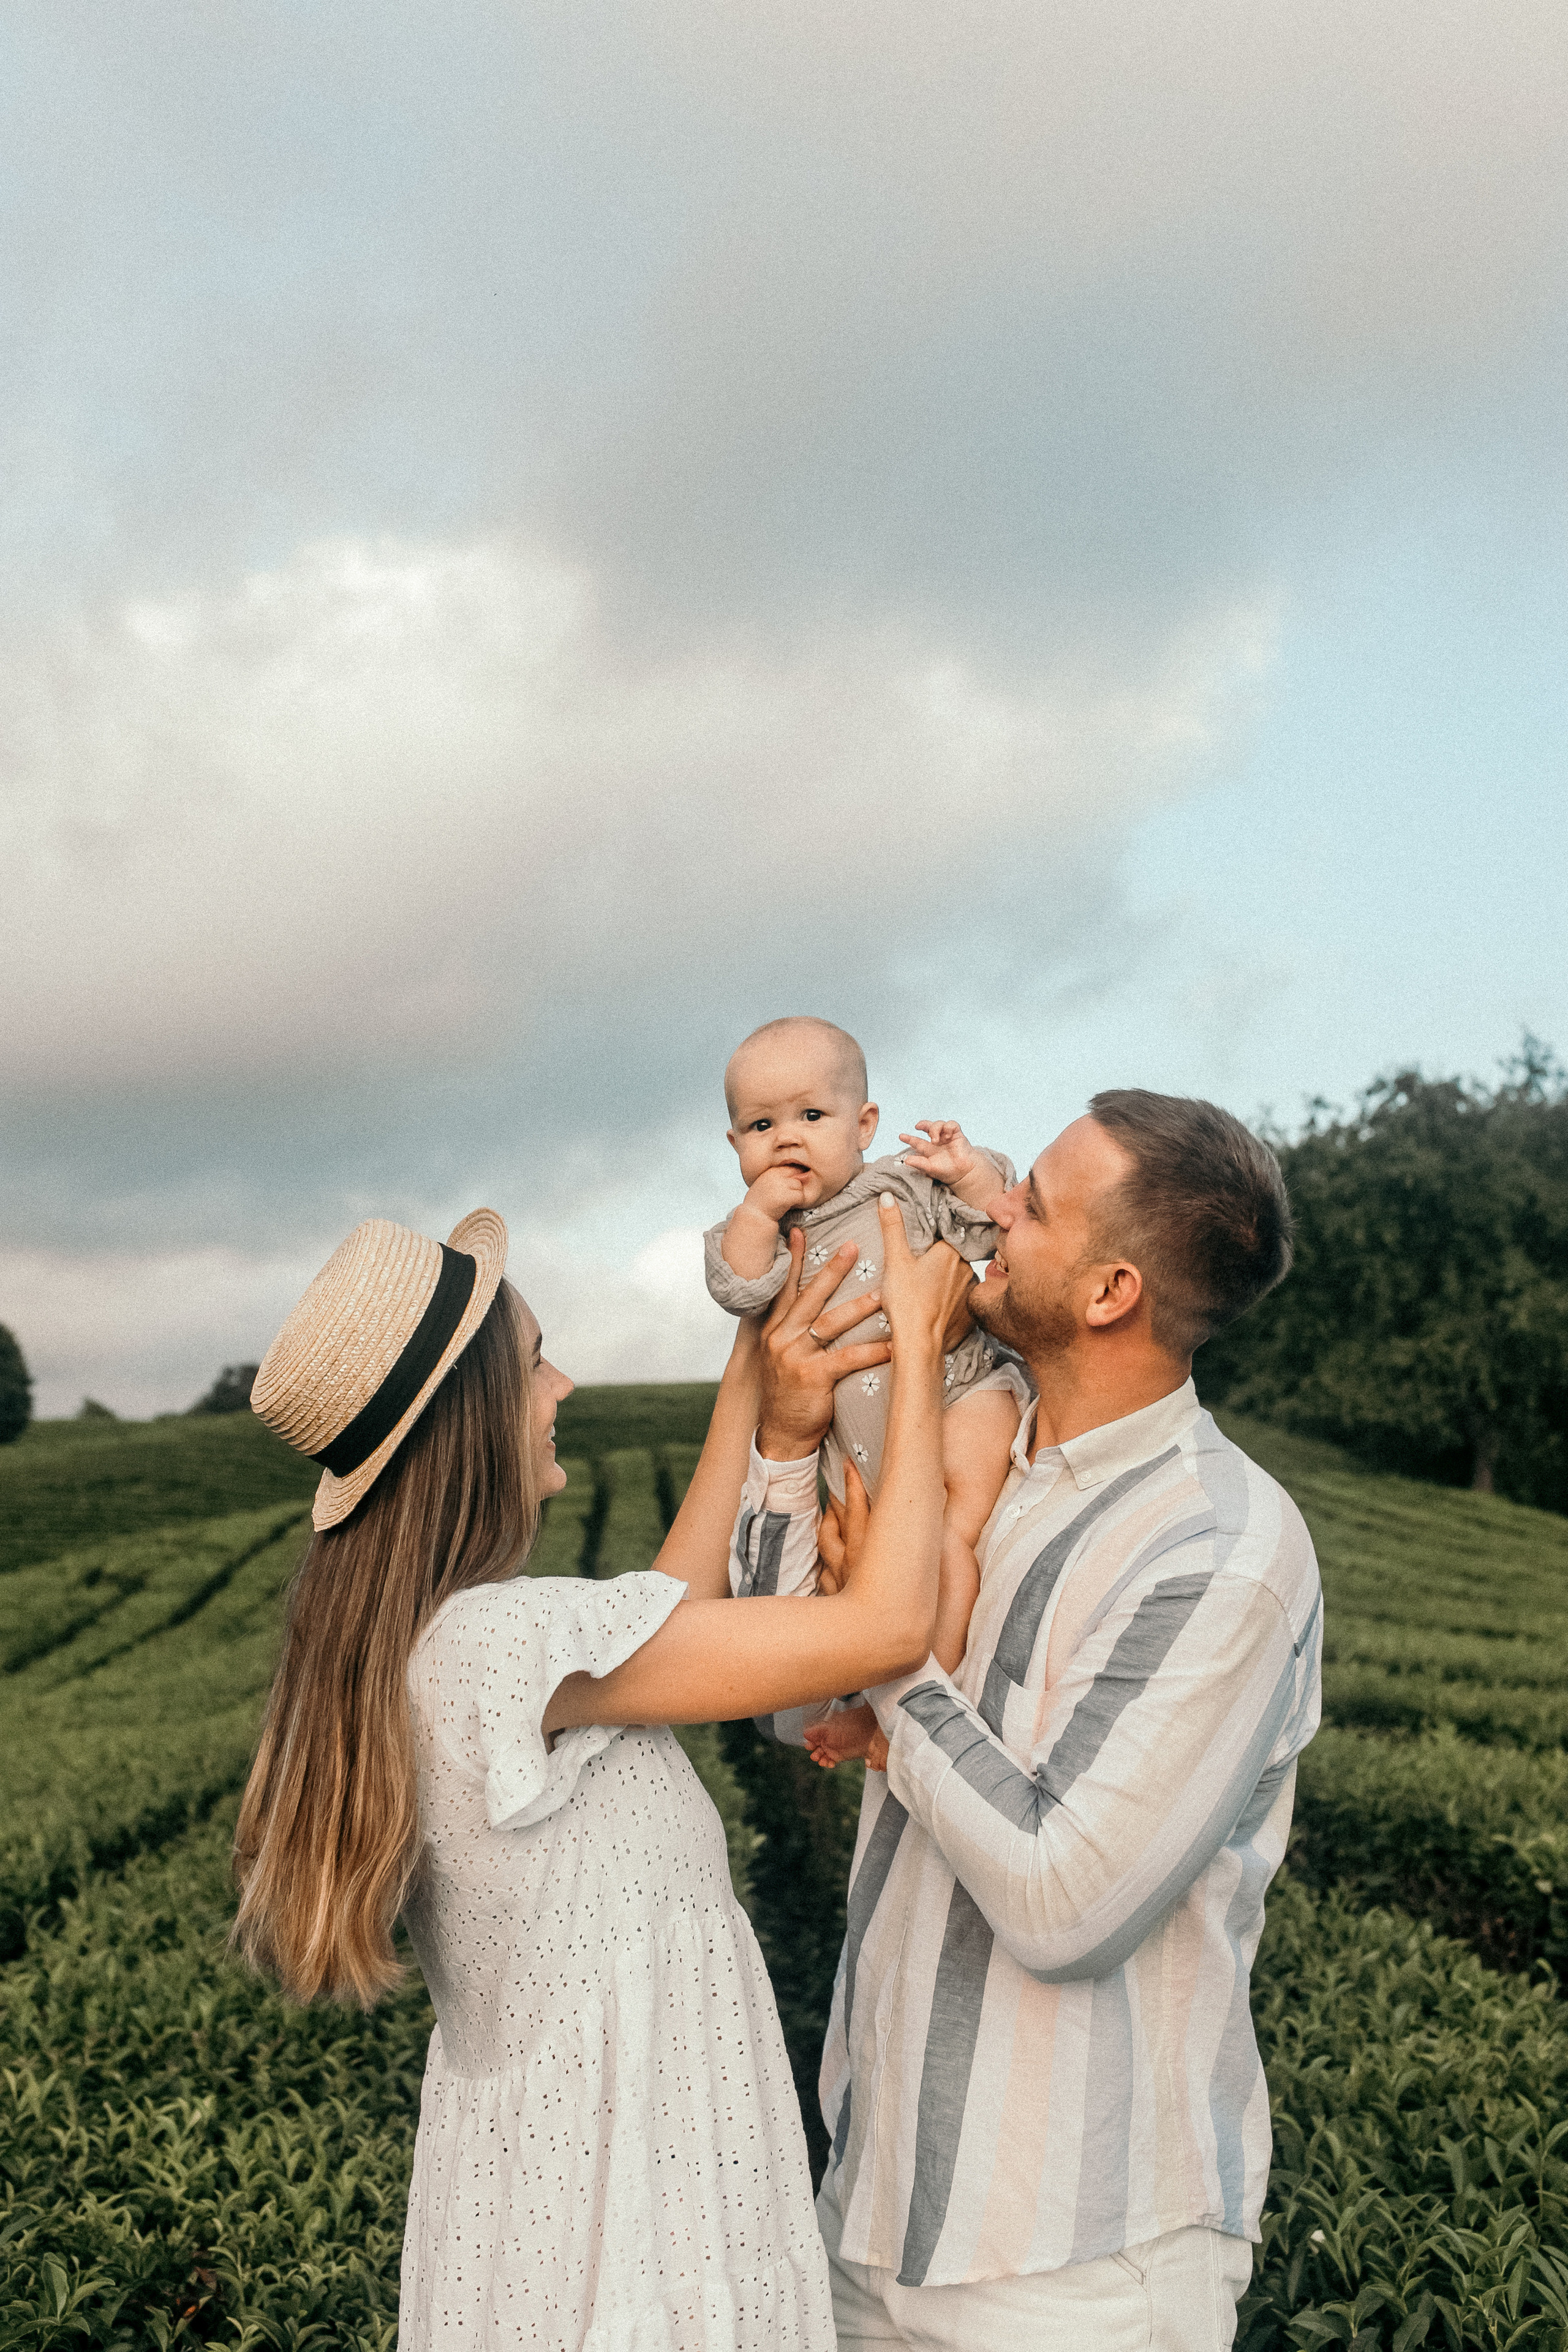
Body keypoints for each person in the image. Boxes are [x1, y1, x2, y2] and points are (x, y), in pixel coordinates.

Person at [231, 1196, 973, 2352]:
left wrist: (755, 1341)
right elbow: (886, 1628)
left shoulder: (448, 1647)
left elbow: (671, 1600)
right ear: (471, 1425)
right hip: (628, 2224)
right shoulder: (497, 1642)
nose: (565, 1386)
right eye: (537, 1363)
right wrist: (921, 1347)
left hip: (560, 2214)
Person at [731, 1090, 1322, 2351]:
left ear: (1110, 1292)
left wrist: (891, 1666)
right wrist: (787, 1456)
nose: (995, 1209)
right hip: (872, 2213)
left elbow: (1065, 1901)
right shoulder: (963, 1452)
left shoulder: (1219, 1550)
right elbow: (784, 1711)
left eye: (1033, 1206)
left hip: (1073, 2270)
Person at [706, 1015, 1030, 1684]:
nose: (787, 1137)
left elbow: (986, 1229)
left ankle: (924, 1696)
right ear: (734, 1143)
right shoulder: (757, 1229)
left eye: (812, 1115)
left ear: (863, 1126)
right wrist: (759, 1214)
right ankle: (874, 1705)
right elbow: (739, 1288)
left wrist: (965, 1172)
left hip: (956, 1393)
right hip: (858, 1450)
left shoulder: (901, 1185)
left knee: (949, 1545)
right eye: (761, 1127)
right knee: (862, 1580)